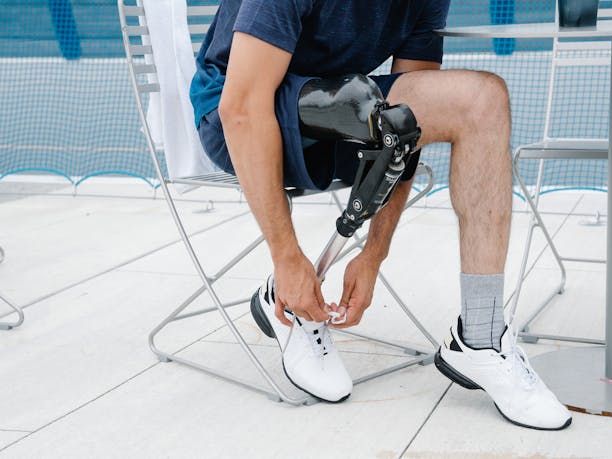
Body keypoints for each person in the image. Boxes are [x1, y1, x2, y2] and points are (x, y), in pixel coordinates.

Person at [190, 0, 572, 430]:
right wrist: (286, 258)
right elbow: (240, 108)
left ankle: (480, 338)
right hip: (242, 118)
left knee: (481, 99)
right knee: (358, 98)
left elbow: (409, 127)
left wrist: (374, 253)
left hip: (344, 113)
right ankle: (288, 289)